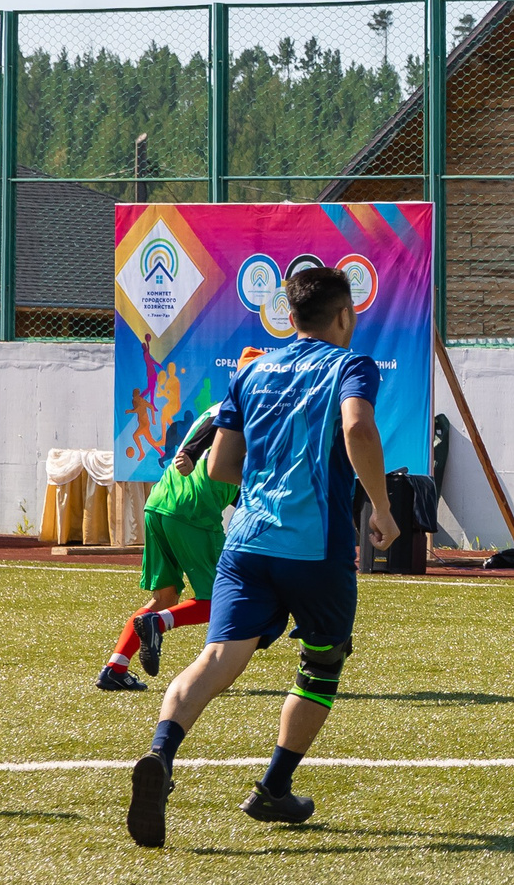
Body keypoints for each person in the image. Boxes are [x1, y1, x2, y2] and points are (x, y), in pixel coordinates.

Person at [126, 268, 397, 848]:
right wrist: (381, 506)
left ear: (289, 316)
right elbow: (358, 428)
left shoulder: (251, 370)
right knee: (322, 664)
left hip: (247, 540)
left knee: (217, 658)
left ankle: (160, 753)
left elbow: (221, 466)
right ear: (345, 316)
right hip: (313, 549)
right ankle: (274, 788)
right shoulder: (351, 365)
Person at [96, 412, 237, 692]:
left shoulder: (222, 405)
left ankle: (115, 668)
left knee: (164, 597)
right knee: (218, 600)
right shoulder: (247, 404)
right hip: (193, 509)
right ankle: (156, 624)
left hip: (161, 500)